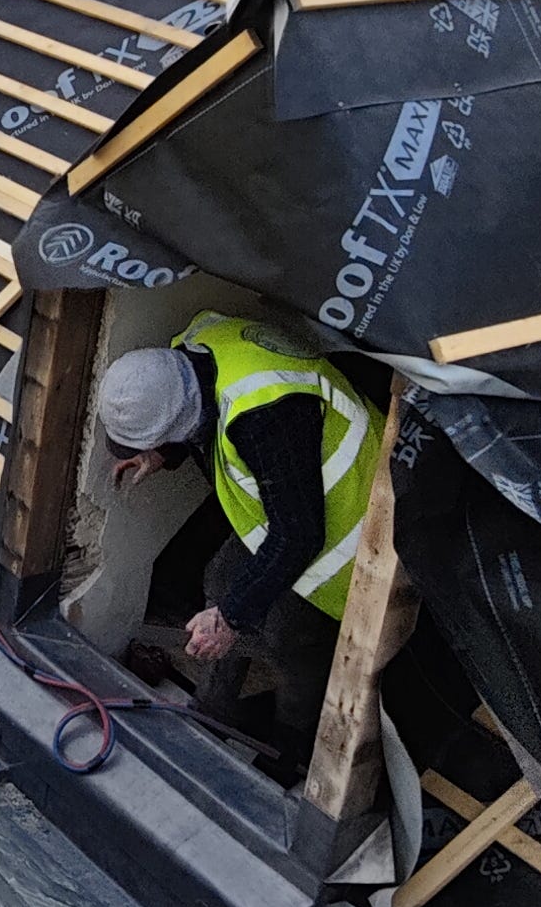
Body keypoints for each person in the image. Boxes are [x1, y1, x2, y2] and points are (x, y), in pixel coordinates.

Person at [97, 312, 384, 759]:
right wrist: (163, 454)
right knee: (222, 577)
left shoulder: (265, 417)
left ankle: (291, 746)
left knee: (292, 635)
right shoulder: (194, 349)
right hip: (301, 507)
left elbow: (298, 536)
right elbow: (198, 412)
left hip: (359, 530)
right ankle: (213, 712)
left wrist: (230, 619)